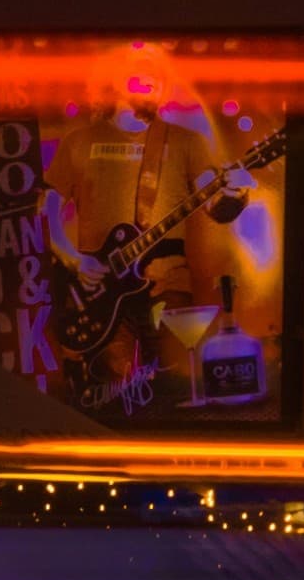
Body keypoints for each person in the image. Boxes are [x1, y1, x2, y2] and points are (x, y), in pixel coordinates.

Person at [43, 43, 258, 402]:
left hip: (167, 286)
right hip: (98, 294)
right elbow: (46, 211)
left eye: (158, 75)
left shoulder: (187, 142)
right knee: (118, 396)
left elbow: (216, 206)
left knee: (176, 387)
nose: (153, 80)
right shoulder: (79, 142)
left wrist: (235, 193)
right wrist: (74, 259)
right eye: (141, 72)